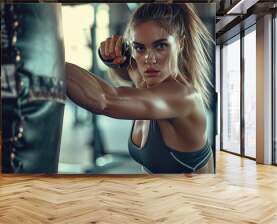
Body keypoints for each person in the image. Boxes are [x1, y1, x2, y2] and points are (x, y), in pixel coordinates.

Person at [65, 3, 214, 173]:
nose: (149, 58)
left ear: (180, 43)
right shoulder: (147, 83)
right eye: (140, 48)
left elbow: (105, 100)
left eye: (160, 46)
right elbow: (126, 72)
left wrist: (51, 62)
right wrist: (109, 56)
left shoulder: (183, 97)